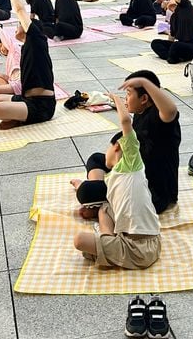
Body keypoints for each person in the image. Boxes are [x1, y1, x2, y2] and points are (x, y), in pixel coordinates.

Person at [72, 92, 161, 270]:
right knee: (105, 209)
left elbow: (126, 122)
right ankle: (108, 245)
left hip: (138, 249)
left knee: (80, 240)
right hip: (149, 241)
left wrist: (116, 99)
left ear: (117, 146)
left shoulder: (131, 164)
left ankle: (108, 247)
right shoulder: (115, 176)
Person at [73, 70, 180, 215]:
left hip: (153, 194)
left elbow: (171, 110)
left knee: (85, 191)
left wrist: (144, 83)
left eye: (129, 94)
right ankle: (99, 196)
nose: (126, 99)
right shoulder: (140, 112)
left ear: (144, 98)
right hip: (134, 176)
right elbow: (126, 122)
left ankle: (97, 199)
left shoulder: (160, 118)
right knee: (96, 158)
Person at [0, 0, 57, 129]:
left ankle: (19, 118)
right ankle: (18, 117)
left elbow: (20, 10)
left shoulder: (37, 39)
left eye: (19, 24)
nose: (17, 27)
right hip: (27, 98)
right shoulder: (26, 46)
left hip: (42, 105)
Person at [0, 19, 22, 96]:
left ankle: (10, 91)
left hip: (20, 83)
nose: (1, 50)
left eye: (1, 46)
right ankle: (8, 89)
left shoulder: (14, 49)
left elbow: (5, 38)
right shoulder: (11, 55)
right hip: (13, 81)